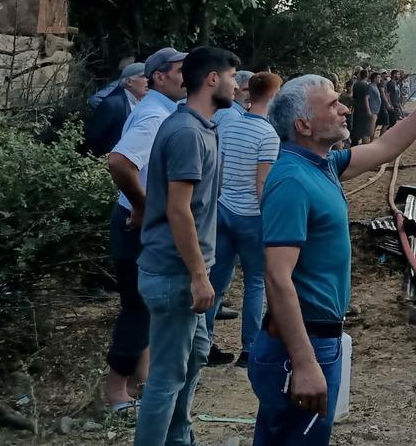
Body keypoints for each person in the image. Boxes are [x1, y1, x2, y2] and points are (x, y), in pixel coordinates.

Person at [251, 60, 416, 443]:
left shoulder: (321, 165)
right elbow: (277, 277)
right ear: (303, 126)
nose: (345, 109)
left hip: (316, 339)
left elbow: (387, 145)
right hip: (300, 346)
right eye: (333, 104)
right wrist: (305, 363)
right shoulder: (291, 181)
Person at [133, 46, 239, 446]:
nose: (236, 84)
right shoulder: (186, 133)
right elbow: (179, 212)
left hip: (190, 271)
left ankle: (179, 438)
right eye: (232, 76)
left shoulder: (204, 128)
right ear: (212, 79)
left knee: (194, 358)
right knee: (165, 378)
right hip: (175, 274)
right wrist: (198, 275)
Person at [104, 47, 187, 413]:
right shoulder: (154, 116)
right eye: (182, 70)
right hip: (134, 225)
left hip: (140, 222)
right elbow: (119, 162)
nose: (189, 76)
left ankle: (143, 378)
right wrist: (142, 206)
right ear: (159, 77)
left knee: (147, 306)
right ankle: (116, 391)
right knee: (138, 306)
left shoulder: (160, 110)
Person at [206, 72, 283, 368]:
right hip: (251, 217)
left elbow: (220, 170)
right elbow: (262, 184)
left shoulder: (232, 125)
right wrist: (273, 219)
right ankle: (249, 349)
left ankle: (204, 341)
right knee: (255, 283)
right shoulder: (268, 135)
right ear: (273, 98)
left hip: (224, 211)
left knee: (217, 279)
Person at [83, 62, 147, 157]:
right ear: (129, 82)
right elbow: (94, 138)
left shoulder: (145, 102)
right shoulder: (112, 104)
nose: (149, 81)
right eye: (144, 76)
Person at [348, 71, 373, 146]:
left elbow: (354, 97)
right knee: (365, 131)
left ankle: (354, 145)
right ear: (367, 75)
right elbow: (367, 98)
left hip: (357, 109)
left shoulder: (356, 84)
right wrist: (369, 111)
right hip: (365, 110)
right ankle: (366, 149)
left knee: (356, 129)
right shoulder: (367, 85)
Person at [366, 72, 383, 141]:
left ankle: (371, 140)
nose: (380, 79)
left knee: (373, 126)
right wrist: (369, 110)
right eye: (379, 77)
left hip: (376, 109)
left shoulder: (375, 86)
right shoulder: (370, 86)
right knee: (371, 126)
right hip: (372, 109)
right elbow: (367, 98)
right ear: (375, 78)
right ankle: (370, 141)